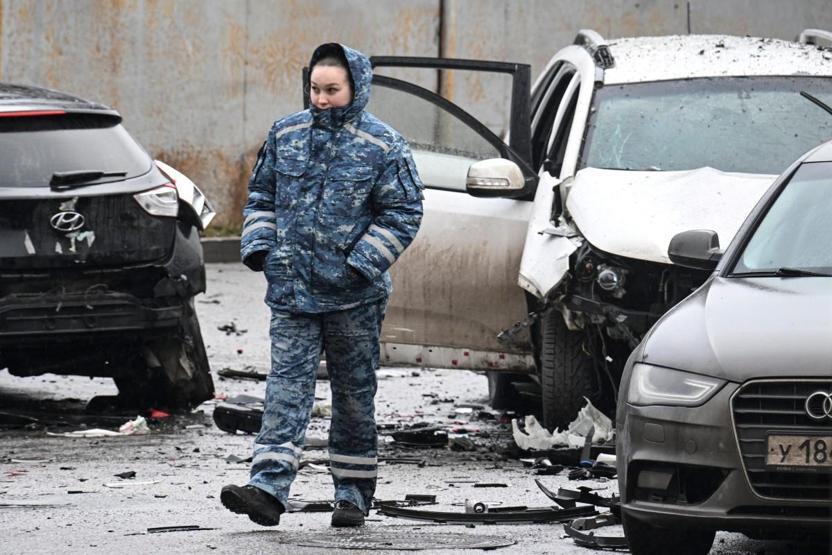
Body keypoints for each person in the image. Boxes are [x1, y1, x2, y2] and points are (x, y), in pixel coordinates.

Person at [221, 43, 423, 528]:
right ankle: (268, 489)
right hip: (291, 294)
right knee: (285, 390)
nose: (321, 98)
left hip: (354, 297)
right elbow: (261, 196)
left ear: (355, 88)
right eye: (315, 88)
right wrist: (262, 251)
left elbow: (404, 212)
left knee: (354, 395)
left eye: (331, 89)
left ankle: (352, 495)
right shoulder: (286, 133)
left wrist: (359, 265)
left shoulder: (383, 146)